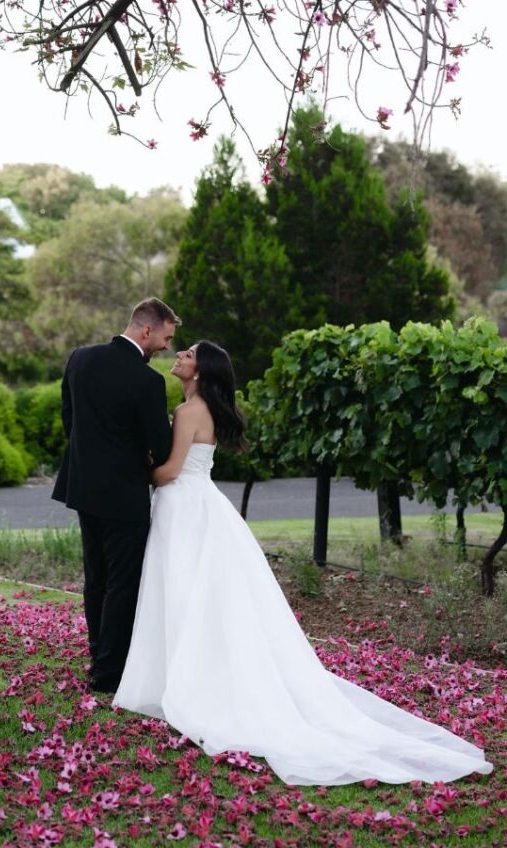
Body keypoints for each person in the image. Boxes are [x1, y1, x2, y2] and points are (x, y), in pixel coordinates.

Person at [113, 340, 493, 786]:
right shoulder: (204, 410)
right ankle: (186, 674)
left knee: (180, 593)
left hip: (184, 507)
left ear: (202, 370)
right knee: (199, 597)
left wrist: (135, 467)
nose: (180, 356)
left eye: (189, 353)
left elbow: (172, 470)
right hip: (203, 506)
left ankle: (182, 682)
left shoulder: (188, 411)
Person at [52, 297, 180, 693]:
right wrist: (138, 456)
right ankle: (109, 672)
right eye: (166, 337)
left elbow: (69, 418)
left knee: (97, 580)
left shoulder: (80, 358)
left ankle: (99, 659)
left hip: (84, 488)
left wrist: (93, 456)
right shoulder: (149, 382)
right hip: (124, 495)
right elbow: (160, 448)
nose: (166, 347)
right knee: (123, 583)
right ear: (147, 330)